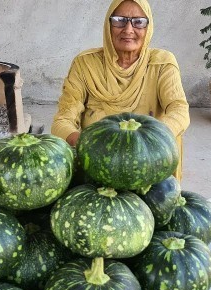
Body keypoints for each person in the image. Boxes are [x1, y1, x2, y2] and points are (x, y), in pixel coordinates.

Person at [51, 0, 190, 181]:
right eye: (120, 20)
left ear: (149, 27)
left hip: (148, 163)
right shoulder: (85, 64)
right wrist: (88, 147)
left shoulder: (162, 63)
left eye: (138, 21)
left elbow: (179, 109)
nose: (128, 29)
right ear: (108, 25)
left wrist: (153, 141)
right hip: (97, 164)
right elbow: (62, 120)